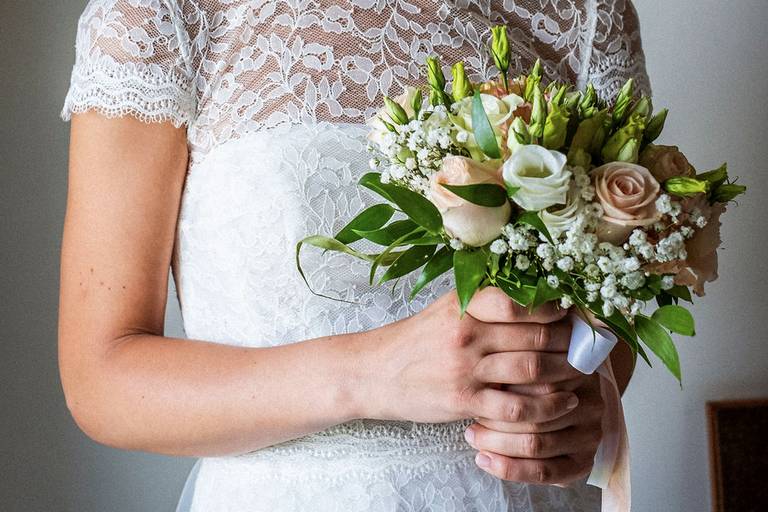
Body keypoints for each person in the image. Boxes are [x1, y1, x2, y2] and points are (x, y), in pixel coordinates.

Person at [59, 0, 647, 509]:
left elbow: (613, 317)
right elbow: (102, 378)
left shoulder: (585, 15)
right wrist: (370, 374)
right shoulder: (160, 16)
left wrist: (579, 405)